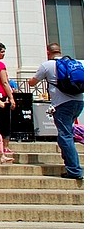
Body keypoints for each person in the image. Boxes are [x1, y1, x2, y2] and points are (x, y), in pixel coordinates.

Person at [28, 43, 84, 180]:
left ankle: (74, 170)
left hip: (62, 104)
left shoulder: (46, 65)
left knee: (65, 136)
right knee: (66, 134)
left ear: (48, 52)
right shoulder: (73, 62)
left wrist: (32, 81)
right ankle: (71, 165)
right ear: (60, 51)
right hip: (78, 102)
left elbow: (33, 82)